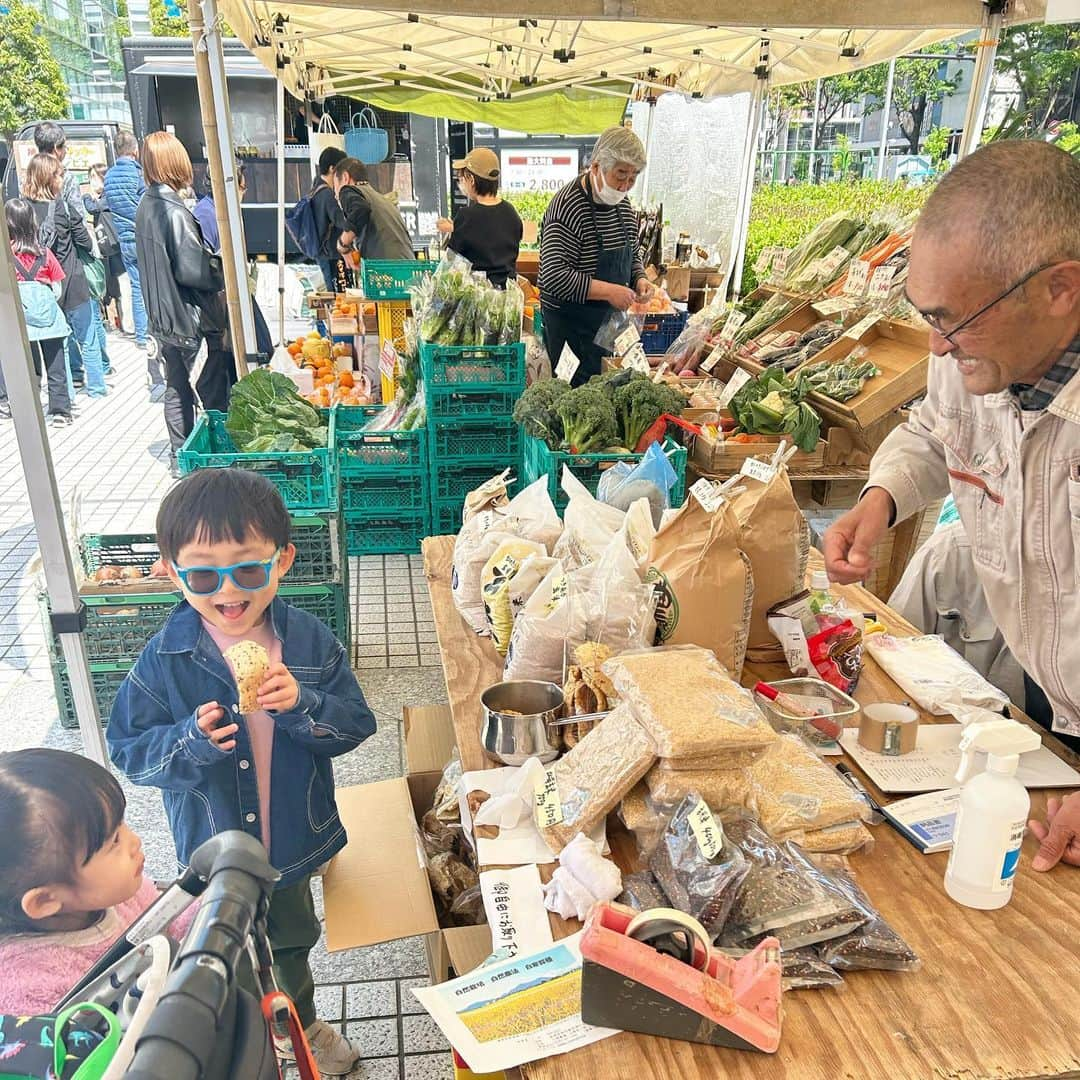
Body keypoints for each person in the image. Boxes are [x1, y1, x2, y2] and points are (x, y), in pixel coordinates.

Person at [822, 140, 1080, 872]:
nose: (936, 346)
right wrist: (881, 499)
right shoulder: (972, 356)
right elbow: (934, 433)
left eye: (955, 319)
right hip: (1047, 696)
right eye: (926, 314)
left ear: (1061, 287)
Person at [107, 469, 376, 1076]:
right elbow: (127, 747)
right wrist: (188, 741)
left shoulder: (308, 642)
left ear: (281, 562)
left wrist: (303, 705)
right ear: (172, 572)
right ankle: (249, 1044)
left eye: (247, 570)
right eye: (203, 573)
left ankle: (301, 1027)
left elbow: (358, 724)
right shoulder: (167, 657)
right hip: (214, 848)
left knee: (289, 945)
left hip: (288, 841)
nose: (227, 592)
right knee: (219, 956)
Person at [0, 748, 194, 1016]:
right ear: (46, 900)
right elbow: (68, 1053)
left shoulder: (120, 894)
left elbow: (172, 922)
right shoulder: (30, 989)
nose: (134, 841)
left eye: (123, 824)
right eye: (114, 841)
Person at [135, 131, 230, 476]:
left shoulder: (147, 205)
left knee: (176, 387)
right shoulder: (172, 211)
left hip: (164, 318)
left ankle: (181, 456)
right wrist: (220, 267)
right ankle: (203, 454)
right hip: (186, 317)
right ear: (176, 164)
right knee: (205, 383)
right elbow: (193, 269)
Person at [538, 126, 654, 385]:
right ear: (595, 167)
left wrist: (639, 278)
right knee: (576, 400)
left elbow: (633, 251)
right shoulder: (568, 206)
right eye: (620, 175)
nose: (625, 185)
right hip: (571, 327)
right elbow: (553, 276)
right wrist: (609, 291)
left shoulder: (622, 203)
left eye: (632, 178)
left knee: (608, 390)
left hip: (608, 326)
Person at [23, 153, 108, 400]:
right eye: (59, 175)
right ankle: (96, 389)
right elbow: (82, 238)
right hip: (73, 278)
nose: (62, 179)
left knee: (61, 344)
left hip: (45, 285)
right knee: (88, 339)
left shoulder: (23, 208)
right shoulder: (61, 207)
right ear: (50, 178)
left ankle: (67, 394)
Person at [104, 130, 163, 401]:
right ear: (135, 150)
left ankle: (140, 334)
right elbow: (146, 204)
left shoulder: (109, 176)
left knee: (134, 287)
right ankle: (149, 331)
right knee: (148, 286)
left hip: (122, 238)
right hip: (141, 236)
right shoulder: (136, 175)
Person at [193, 164, 273, 361]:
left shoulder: (219, 212)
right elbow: (205, 264)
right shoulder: (207, 214)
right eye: (243, 188)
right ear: (230, 186)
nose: (243, 193)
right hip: (220, 307)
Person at [6, 197, 74, 425]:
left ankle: (27, 406)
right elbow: (57, 287)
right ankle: (60, 411)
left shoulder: (6, 257)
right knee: (55, 365)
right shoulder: (44, 253)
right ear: (32, 222)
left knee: (26, 365)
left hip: (20, 319)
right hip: (49, 319)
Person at [436, 147, 522, 288]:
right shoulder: (510, 212)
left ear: (471, 179)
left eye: (461, 178)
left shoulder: (467, 216)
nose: (461, 183)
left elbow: (451, 260)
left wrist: (452, 230)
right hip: (509, 297)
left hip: (477, 300)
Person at [334, 157, 414, 262]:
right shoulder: (382, 200)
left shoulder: (349, 191)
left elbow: (360, 209)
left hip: (386, 268)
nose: (336, 195)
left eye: (335, 187)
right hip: (409, 265)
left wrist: (342, 244)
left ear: (345, 177)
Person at [84, 163, 125, 335]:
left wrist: (86, 196)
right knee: (114, 285)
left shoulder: (108, 196)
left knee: (123, 285)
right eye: (90, 178)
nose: (92, 182)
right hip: (108, 248)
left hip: (116, 247)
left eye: (94, 177)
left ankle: (128, 325)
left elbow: (92, 208)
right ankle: (120, 323)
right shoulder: (102, 197)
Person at [311, 146, 349, 292]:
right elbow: (342, 222)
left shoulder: (316, 187)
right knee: (339, 297)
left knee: (334, 294)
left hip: (323, 253)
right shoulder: (327, 194)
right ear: (333, 169)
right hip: (332, 254)